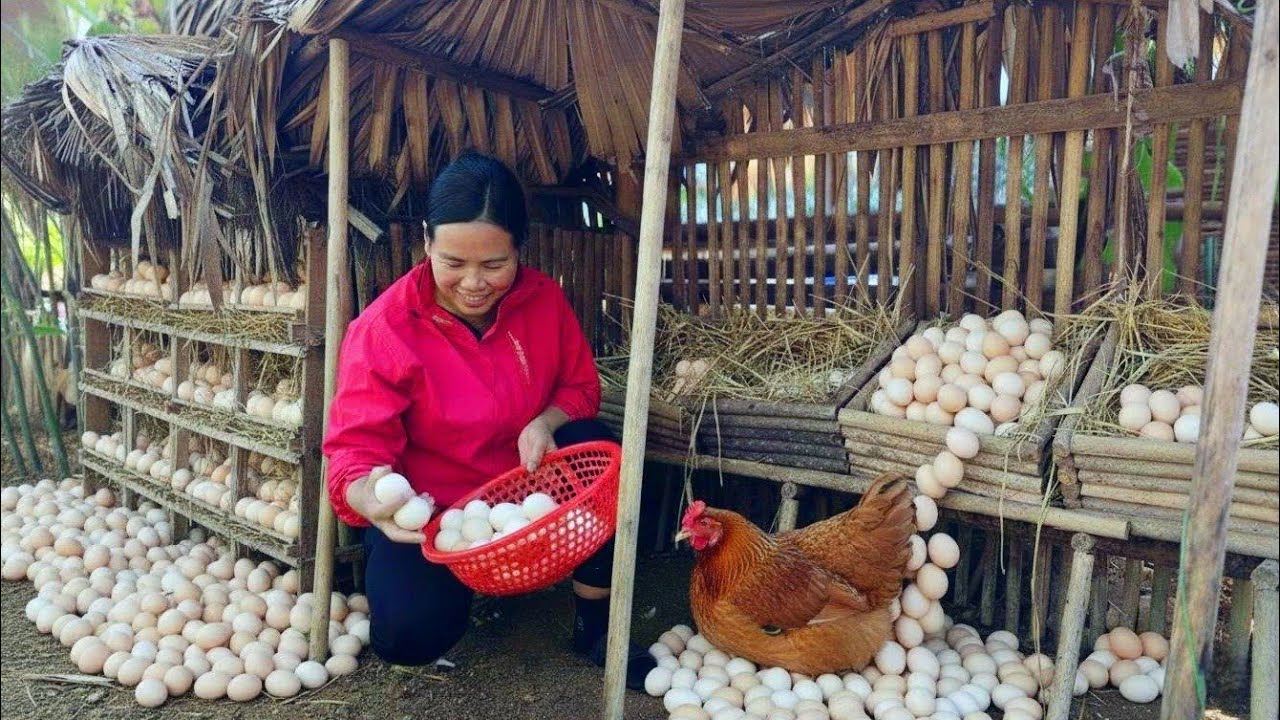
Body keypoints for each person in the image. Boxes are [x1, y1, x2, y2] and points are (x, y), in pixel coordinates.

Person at [322, 151, 655, 689]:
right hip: (437, 515)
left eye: (494, 264)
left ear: (518, 249)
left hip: (527, 488)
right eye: (453, 262)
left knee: (598, 446)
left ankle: (595, 625)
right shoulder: (384, 328)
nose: (473, 282)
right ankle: (458, 588)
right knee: (407, 637)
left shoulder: (543, 300)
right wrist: (370, 499)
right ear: (426, 241)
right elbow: (355, 449)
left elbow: (581, 388)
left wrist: (546, 421)